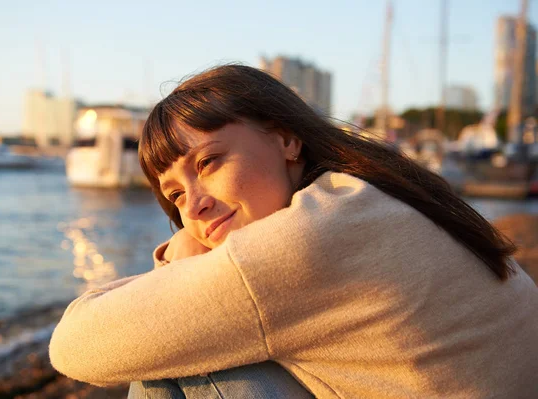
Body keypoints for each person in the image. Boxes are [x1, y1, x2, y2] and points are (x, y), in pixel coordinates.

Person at [49, 65, 538, 398]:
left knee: (176, 366)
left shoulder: (305, 243)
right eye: (174, 194)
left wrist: (179, 260)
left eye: (209, 161)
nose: (194, 203)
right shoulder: (366, 194)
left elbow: (71, 345)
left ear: (286, 138)